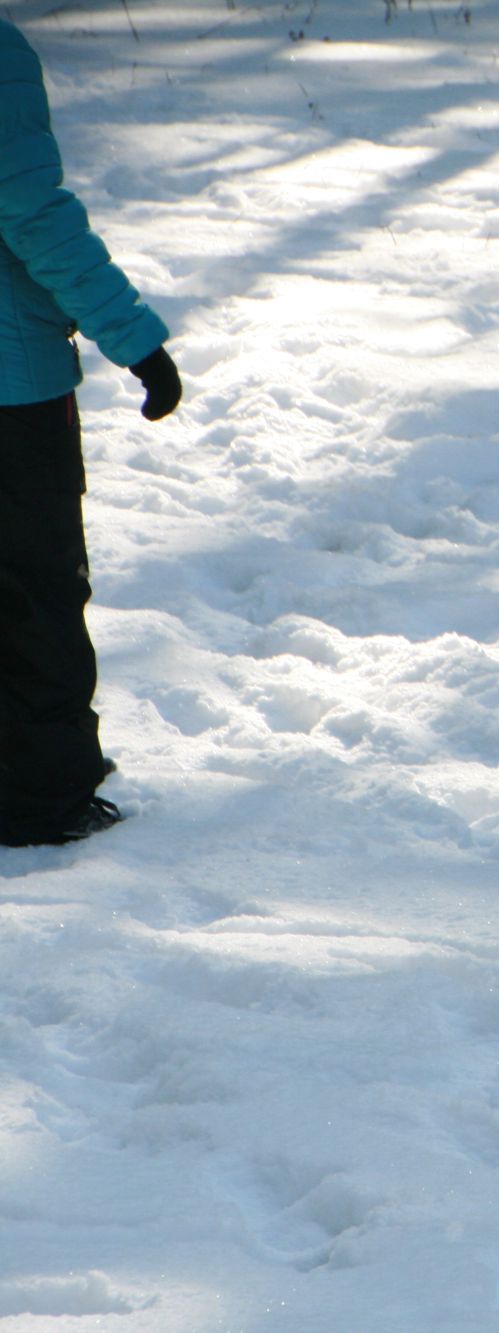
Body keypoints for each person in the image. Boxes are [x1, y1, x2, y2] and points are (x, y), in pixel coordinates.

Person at [1, 18, 181, 848]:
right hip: (12, 389)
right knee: (34, 588)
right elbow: (30, 209)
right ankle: (41, 799)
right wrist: (134, 338)